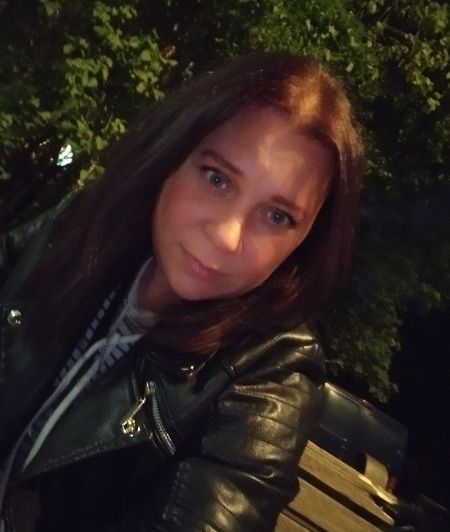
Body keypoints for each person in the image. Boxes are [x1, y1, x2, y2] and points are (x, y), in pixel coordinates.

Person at [0, 51, 363, 531]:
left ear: (305, 241)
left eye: (278, 216)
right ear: (173, 155)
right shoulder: (87, 228)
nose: (227, 235)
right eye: (217, 178)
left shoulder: (271, 375)